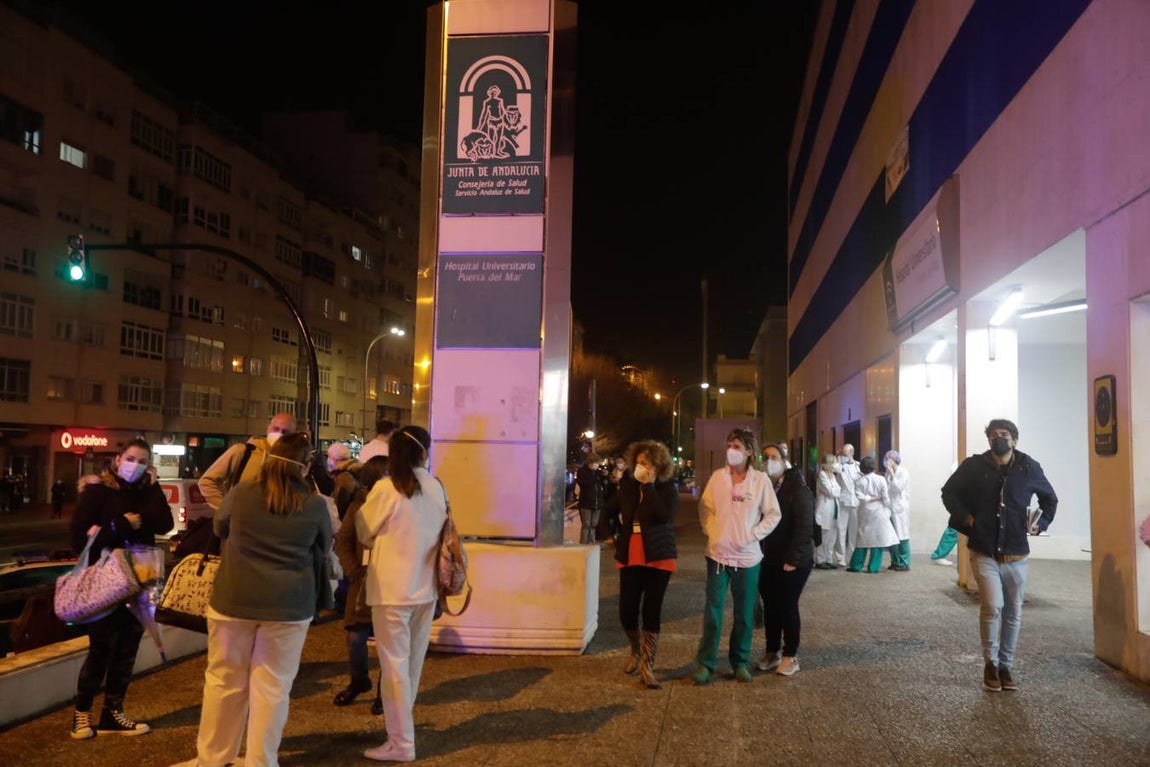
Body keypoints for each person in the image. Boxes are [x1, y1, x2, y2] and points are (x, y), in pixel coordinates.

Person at [184, 432, 333, 766]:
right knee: (273, 688)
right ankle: (261, 761)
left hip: (233, 600)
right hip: (289, 606)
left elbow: (220, 529)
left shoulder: (242, 493)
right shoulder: (313, 506)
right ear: (305, 467)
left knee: (224, 681)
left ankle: (213, 759)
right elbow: (323, 548)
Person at [942, 418, 1057, 693]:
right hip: (984, 549)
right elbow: (949, 493)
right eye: (993, 435)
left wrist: (1041, 524)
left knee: (1014, 611)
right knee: (993, 607)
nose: (998, 438)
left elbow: (1049, 499)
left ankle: (1006, 665)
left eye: (1004, 434)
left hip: (1017, 552)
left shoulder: (1028, 467)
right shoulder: (974, 466)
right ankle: (990, 663)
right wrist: (967, 518)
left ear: (1015, 440)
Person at [68, 438, 173, 739]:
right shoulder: (96, 492)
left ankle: (114, 713)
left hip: (139, 581)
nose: (135, 466)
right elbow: (79, 539)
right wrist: (121, 525)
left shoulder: (147, 493)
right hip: (104, 583)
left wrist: (153, 488)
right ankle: (81, 715)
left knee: (127, 650)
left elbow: (164, 524)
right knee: (101, 649)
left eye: (142, 462)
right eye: (131, 459)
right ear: (117, 459)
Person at [357, 425, 446, 763]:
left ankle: (402, 743)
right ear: (424, 452)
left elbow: (364, 532)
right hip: (426, 590)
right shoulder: (436, 487)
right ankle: (401, 733)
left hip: (392, 590)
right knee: (412, 666)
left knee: (394, 668)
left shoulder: (385, 488)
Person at [693, 427, 781, 685]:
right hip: (717, 555)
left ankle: (739, 661)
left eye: (737, 447)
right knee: (713, 612)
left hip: (747, 558)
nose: (731, 451)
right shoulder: (718, 477)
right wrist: (712, 531)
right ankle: (706, 663)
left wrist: (752, 535)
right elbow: (706, 507)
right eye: (729, 445)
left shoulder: (761, 481)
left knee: (743, 613)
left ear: (749, 452)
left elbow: (773, 514)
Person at [604, 440, 678, 689]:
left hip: (658, 554)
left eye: (646, 463)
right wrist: (608, 533)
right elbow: (608, 510)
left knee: (651, 610)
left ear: (658, 466)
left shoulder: (667, 489)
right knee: (626, 609)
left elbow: (663, 515)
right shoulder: (627, 486)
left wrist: (650, 488)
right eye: (638, 463)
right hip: (630, 553)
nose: (640, 467)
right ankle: (635, 649)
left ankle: (648, 665)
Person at [332, 455, 390, 714]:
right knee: (356, 638)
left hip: (391, 584)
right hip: (362, 584)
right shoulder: (359, 505)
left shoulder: (399, 505)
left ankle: (384, 692)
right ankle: (360, 681)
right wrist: (353, 571)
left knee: (389, 642)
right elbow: (343, 540)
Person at [757, 443, 815, 677]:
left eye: (773, 457)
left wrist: (793, 558)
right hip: (769, 558)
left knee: (788, 606)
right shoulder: (766, 486)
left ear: (783, 460)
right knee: (771, 607)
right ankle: (772, 652)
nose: (769, 461)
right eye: (765, 457)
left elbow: (804, 528)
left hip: (793, 560)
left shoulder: (797, 489)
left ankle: (791, 655)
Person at [846, 456, 899, 573]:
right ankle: (873, 567)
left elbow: (861, 498)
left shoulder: (858, 481)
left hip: (864, 512)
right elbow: (886, 499)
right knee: (878, 539)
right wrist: (879, 498)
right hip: (879, 512)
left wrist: (870, 498)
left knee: (862, 539)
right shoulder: (881, 479)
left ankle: (856, 565)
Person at [813, 453, 842, 569]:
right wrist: (835, 490)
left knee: (832, 537)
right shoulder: (822, 475)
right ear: (829, 463)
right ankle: (820, 560)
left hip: (834, 508)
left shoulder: (832, 476)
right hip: (824, 509)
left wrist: (835, 490)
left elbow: (839, 491)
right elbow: (831, 491)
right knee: (823, 536)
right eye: (834, 462)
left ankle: (828, 559)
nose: (836, 465)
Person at [835, 444, 862, 565]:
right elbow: (835, 469)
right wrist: (838, 459)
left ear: (852, 453)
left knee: (854, 531)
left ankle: (852, 556)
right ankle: (841, 557)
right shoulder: (840, 466)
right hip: (843, 501)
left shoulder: (859, 466)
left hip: (855, 502)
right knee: (841, 529)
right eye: (842, 454)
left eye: (845, 454)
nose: (844, 456)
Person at [885, 450, 911, 571]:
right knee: (892, 535)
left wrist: (893, 476)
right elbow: (886, 488)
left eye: (889, 459)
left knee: (902, 535)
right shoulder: (888, 473)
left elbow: (899, 488)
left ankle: (904, 562)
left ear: (895, 460)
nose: (887, 461)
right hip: (890, 507)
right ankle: (895, 561)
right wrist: (889, 475)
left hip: (900, 508)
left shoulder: (903, 472)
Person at [575, 452, 608, 544]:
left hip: (597, 503)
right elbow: (583, 483)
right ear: (590, 462)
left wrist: (605, 477)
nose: (596, 465)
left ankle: (591, 542)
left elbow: (604, 487)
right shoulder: (582, 472)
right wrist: (596, 478)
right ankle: (584, 543)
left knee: (594, 525)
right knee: (586, 524)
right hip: (586, 503)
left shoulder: (598, 473)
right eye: (595, 462)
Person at [327, 442, 362, 521]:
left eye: (329, 456)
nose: (328, 460)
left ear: (336, 459)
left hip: (345, 519)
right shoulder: (351, 471)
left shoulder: (345, 476)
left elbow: (340, 504)